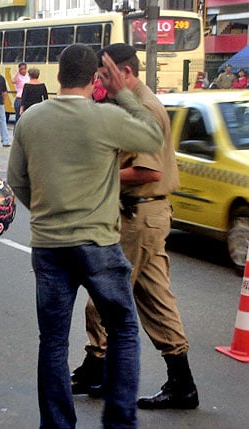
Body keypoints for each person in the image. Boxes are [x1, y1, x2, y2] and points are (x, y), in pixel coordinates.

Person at [7, 43, 165, 429]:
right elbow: (152, 138)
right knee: (124, 328)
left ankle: (58, 424)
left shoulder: (30, 120)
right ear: (95, 77)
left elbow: (16, 181)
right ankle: (119, 421)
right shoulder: (105, 118)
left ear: (58, 76)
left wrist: (47, 211)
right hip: (98, 243)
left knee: (54, 341)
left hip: (49, 246)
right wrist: (123, 93)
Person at [69, 43, 199, 411]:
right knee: (157, 301)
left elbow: (148, 171)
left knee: (102, 295)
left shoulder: (144, 109)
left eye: (105, 74)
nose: (100, 81)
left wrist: (99, 174)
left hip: (138, 216)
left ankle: (97, 367)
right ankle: (182, 382)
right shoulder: (131, 104)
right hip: (144, 215)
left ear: (125, 72)